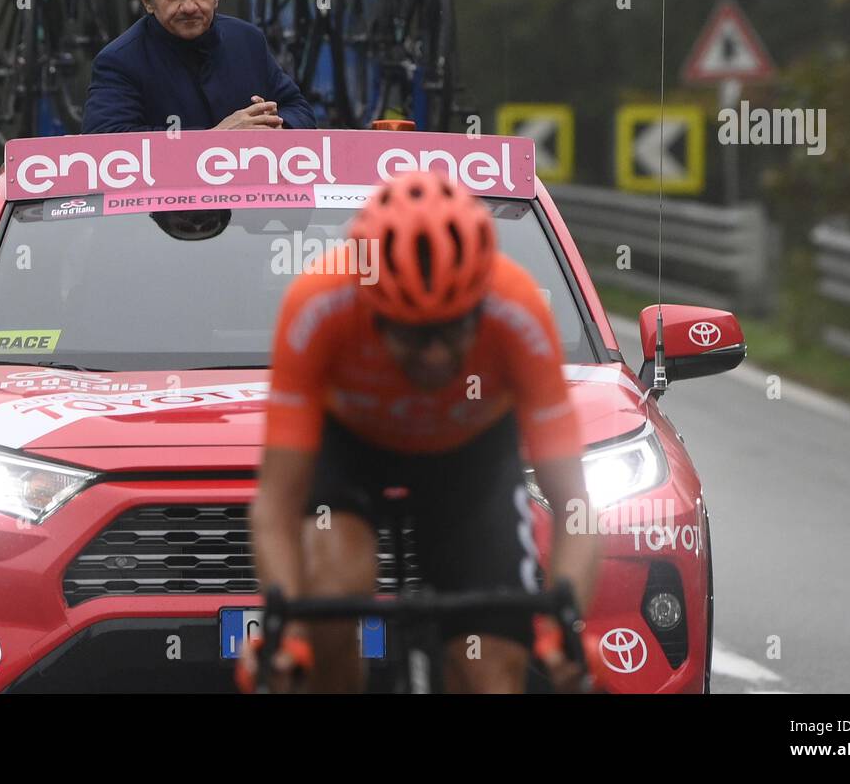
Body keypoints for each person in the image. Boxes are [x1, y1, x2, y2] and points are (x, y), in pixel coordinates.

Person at [248, 170, 601, 693]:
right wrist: (286, 632)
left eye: (454, 327)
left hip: (469, 457)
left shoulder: (518, 311)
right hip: (352, 449)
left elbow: (574, 502)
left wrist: (564, 627)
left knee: (491, 674)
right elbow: (275, 504)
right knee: (331, 593)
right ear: (371, 312)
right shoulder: (318, 305)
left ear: (481, 303)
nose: (436, 357)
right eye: (413, 335)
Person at [81, 0, 315, 134]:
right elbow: (105, 146)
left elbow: (300, 111)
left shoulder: (248, 40)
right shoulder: (118, 61)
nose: (189, 5)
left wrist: (272, 127)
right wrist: (214, 139)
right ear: (147, 0)